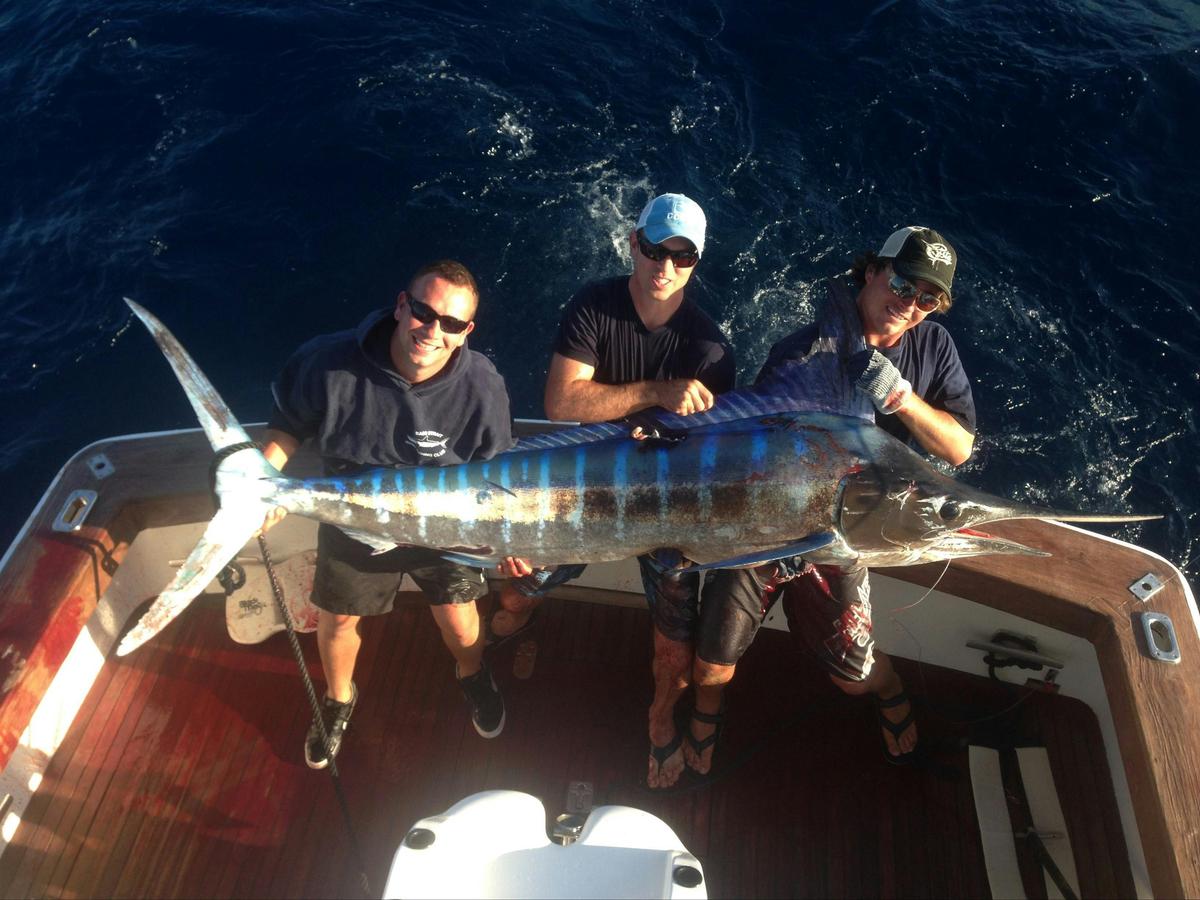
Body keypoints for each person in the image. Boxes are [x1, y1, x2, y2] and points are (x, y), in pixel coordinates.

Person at [691, 226, 976, 770]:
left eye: (927, 299)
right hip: (773, 529)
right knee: (709, 667)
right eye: (901, 283)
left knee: (854, 678)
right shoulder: (800, 352)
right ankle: (706, 711)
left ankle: (887, 689)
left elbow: (960, 448)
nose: (909, 304)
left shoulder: (934, 346)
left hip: (850, 536)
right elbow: (757, 449)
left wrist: (901, 398)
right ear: (871, 270)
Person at [493, 193, 736, 789]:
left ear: (695, 265)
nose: (665, 267)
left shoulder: (711, 348)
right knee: (514, 588)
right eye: (655, 250)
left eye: (682, 259)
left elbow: (715, 456)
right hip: (585, 494)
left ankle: (658, 723)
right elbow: (562, 402)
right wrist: (657, 392)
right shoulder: (593, 305)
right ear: (634, 242)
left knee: (675, 652)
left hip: (665, 512)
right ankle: (517, 627)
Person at [260, 259, 515, 769]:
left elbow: (499, 478)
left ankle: (471, 673)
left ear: (466, 333)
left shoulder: (483, 385)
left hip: (448, 523)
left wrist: (511, 545)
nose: (432, 330)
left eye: (450, 323)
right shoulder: (328, 361)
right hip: (355, 515)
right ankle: (337, 699)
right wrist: (263, 485)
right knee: (337, 624)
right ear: (402, 306)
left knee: (462, 625)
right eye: (424, 311)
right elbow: (286, 427)